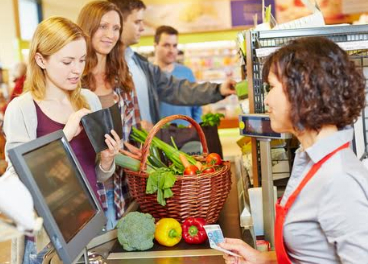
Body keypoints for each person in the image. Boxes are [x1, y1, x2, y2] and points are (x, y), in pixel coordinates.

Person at [219, 36, 368, 263]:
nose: (266, 100)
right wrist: (263, 260)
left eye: (272, 87)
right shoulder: (309, 160)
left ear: (303, 89)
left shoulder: (340, 179)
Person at [3, 17, 121, 264]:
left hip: (90, 230)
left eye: (81, 60)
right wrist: (64, 137)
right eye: (67, 61)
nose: (77, 70)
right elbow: (15, 184)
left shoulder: (89, 100)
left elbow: (95, 175)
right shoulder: (22, 108)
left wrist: (107, 160)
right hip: (47, 244)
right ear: (40, 59)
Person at [107, 0, 235, 129]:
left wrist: (219, 90)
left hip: (147, 146)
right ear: (119, 23)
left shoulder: (141, 65)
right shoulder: (104, 66)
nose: (142, 28)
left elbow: (176, 89)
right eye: (137, 22)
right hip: (119, 148)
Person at [77, 0, 137, 230]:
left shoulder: (120, 77)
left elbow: (129, 134)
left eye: (116, 28)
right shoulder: (73, 81)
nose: (110, 34)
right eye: (103, 26)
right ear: (87, 28)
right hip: (89, 194)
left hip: (122, 190)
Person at [153, 25, 202, 126]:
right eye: (166, 45)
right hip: (157, 136)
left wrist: (195, 125)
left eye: (174, 46)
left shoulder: (186, 72)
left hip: (186, 134)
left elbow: (197, 105)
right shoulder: (148, 74)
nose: (171, 50)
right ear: (155, 46)